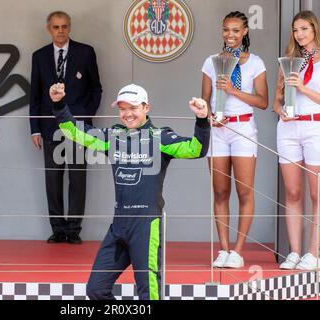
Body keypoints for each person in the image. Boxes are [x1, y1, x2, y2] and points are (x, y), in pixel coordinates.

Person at [49, 82, 210, 300]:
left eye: (133, 108)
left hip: (146, 225)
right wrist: (59, 104)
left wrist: (202, 119)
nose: (127, 114)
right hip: (119, 226)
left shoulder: (160, 137)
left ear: (146, 108)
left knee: (149, 293)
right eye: (122, 108)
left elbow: (196, 149)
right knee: (95, 289)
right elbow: (76, 132)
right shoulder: (112, 136)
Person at [201, 11, 268, 268]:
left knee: (244, 191)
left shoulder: (255, 63)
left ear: (245, 32)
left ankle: (238, 251)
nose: (230, 35)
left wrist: (232, 90)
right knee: (220, 191)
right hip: (218, 130)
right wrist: (209, 115)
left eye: (236, 30)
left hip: (243, 131)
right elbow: (204, 100)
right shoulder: (211, 61)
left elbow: (262, 101)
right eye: (226, 30)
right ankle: (224, 249)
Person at [30, 11, 102, 244]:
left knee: (78, 180)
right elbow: (35, 96)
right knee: (53, 180)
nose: (60, 31)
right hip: (50, 127)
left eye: (64, 27)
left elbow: (96, 89)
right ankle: (58, 229)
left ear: (70, 28)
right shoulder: (39, 56)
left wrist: (86, 117)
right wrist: (35, 129)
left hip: (78, 128)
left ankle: (73, 230)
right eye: (56, 27)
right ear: (48, 29)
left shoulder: (85, 52)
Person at [274, 10, 320, 271]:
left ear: (315, 30)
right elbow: (276, 100)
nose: (299, 35)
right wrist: (280, 110)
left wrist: (305, 88)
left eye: (304, 29)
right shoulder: (287, 61)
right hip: (287, 130)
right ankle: (294, 252)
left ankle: (312, 253)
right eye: (296, 30)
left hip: (314, 127)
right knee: (293, 193)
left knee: (316, 192)